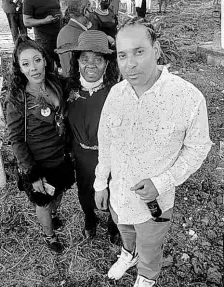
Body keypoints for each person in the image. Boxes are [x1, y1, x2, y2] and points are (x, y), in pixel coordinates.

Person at [94, 17, 212, 286]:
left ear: (156, 49)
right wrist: (101, 182)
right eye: (122, 55)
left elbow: (197, 149)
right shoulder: (116, 94)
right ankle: (128, 253)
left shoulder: (187, 98)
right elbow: (106, 141)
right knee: (126, 231)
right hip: (119, 194)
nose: (130, 64)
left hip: (154, 204)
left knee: (151, 246)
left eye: (139, 51)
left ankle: (146, 277)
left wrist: (162, 183)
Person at [5, 36, 74, 253]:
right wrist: (32, 173)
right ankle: (49, 235)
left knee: (59, 191)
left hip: (61, 156)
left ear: (44, 60)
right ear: (19, 68)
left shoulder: (55, 83)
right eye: (26, 64)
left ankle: (54, 215)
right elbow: (15, 139)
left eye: (37, 60)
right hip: (38, 163)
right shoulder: (18, 99)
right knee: (43, 202)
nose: (33, 68)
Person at [56, 30, 120, 242]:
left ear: (107, 64)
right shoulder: (67, 90)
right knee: (85, 189)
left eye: (98, 59)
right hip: (81, 154)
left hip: (110, 157)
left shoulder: (117, 92)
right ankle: (89, 218)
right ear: (77, 62)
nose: (91, 65)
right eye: (85, 59)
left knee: (113, 190)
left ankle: (113, 224)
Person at [56, 0, 94, 77]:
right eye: (91, 8)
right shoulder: (83, 37)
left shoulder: (63, 31)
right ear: (85, 11)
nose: (92, 11)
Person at [23, 0, 62, 70]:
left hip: (60, 36)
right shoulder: (28, 1)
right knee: (48, 66)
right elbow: (27, 22)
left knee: (63, 65)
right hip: (43, 39)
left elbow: (58, 9)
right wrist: (45, 21)